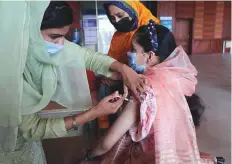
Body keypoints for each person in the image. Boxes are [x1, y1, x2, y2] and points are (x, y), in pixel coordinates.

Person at [0, 1, 147, 164]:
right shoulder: (8, 71)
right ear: (29, 31)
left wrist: (123, 68)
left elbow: (87, 56)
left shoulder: (37, 45)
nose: (61, 44)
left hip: (29, 147)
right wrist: (93, 113)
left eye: (64, 36)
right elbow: (32, 128)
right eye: (54, 37)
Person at [81, 20, 224, 164]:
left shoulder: (143, 88)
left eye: (133, 50)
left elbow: (107, 143)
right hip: (174, 152)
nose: (129, 53)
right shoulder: (176, 77)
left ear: (149, 56)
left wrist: (89, 155)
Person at [97, 0, 160, 131]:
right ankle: (107, 126)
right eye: (112, 18)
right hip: (122, 75)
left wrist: (120, 76)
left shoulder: (150, 30)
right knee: (103, 84)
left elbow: (151, 66)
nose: (117, 21)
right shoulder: (118, 35)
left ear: (132, 9)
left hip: (144, 77)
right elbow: (111, 60)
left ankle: (115, 131)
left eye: (120, 15)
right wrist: (111, 73)